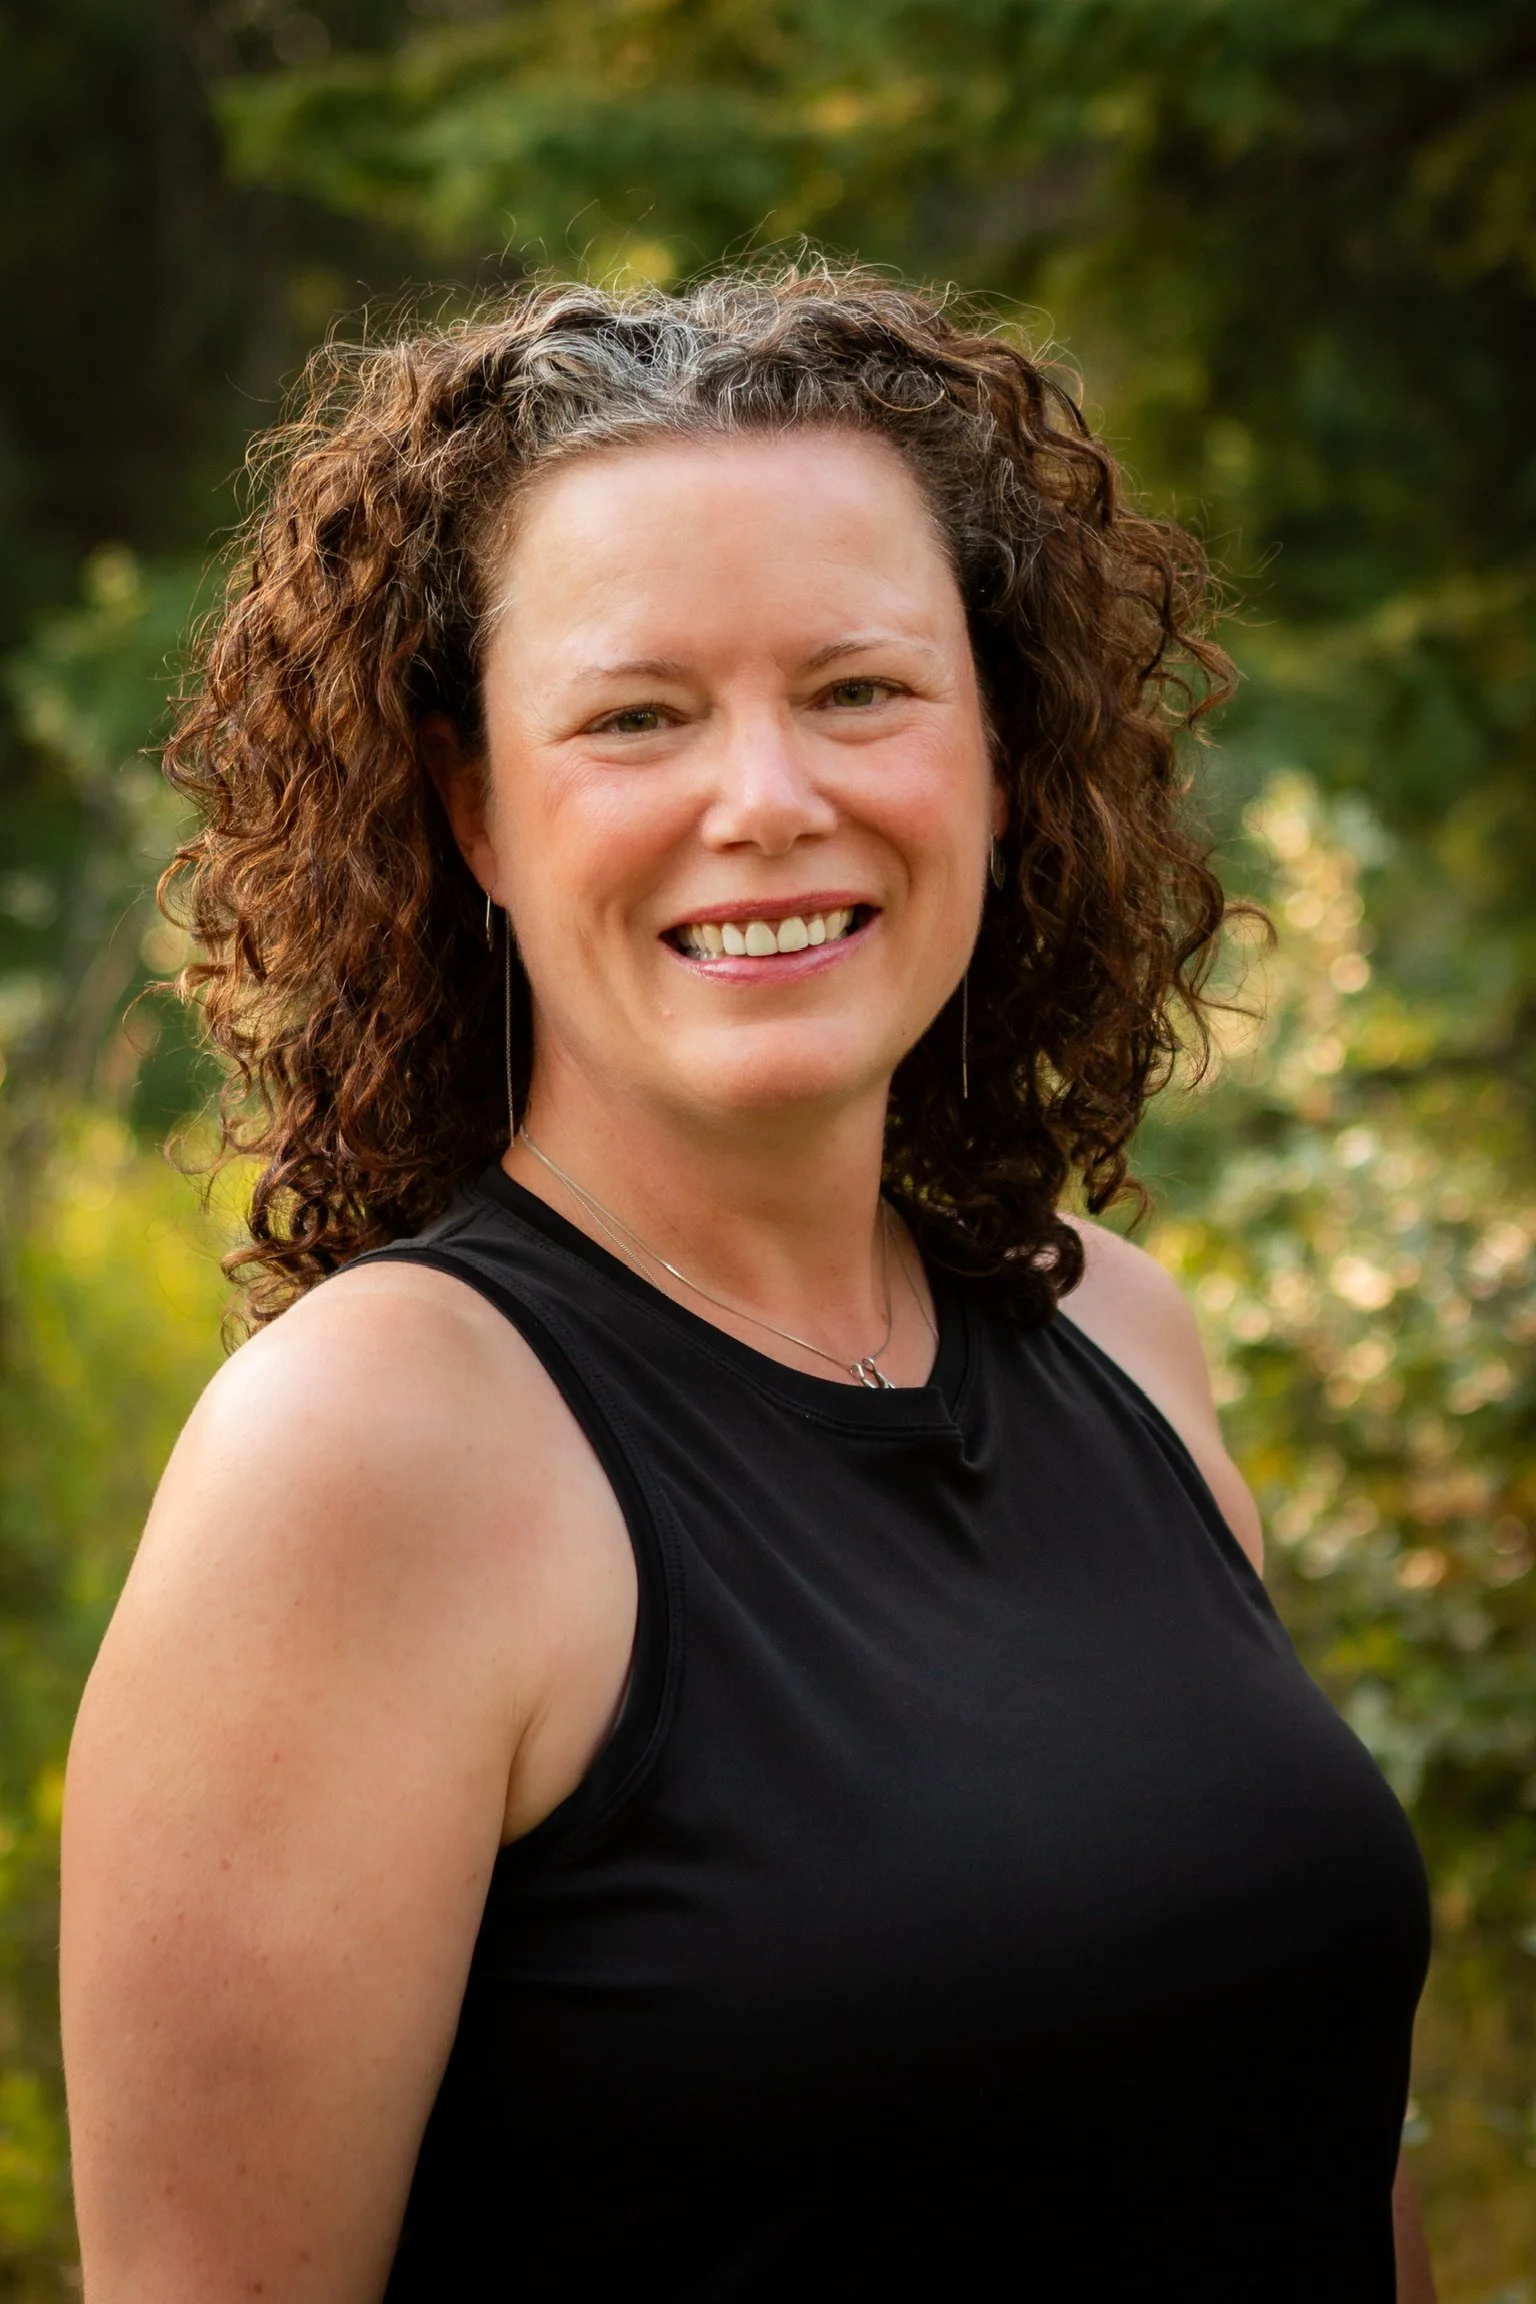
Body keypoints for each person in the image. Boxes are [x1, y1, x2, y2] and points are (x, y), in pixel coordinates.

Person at [60, 264, 1435, 2301]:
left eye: (861, 689)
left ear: (995, 748)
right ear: (474, 815)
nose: (769, 799)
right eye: (638, 716)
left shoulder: (1120, 1338)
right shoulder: (370, 1457)